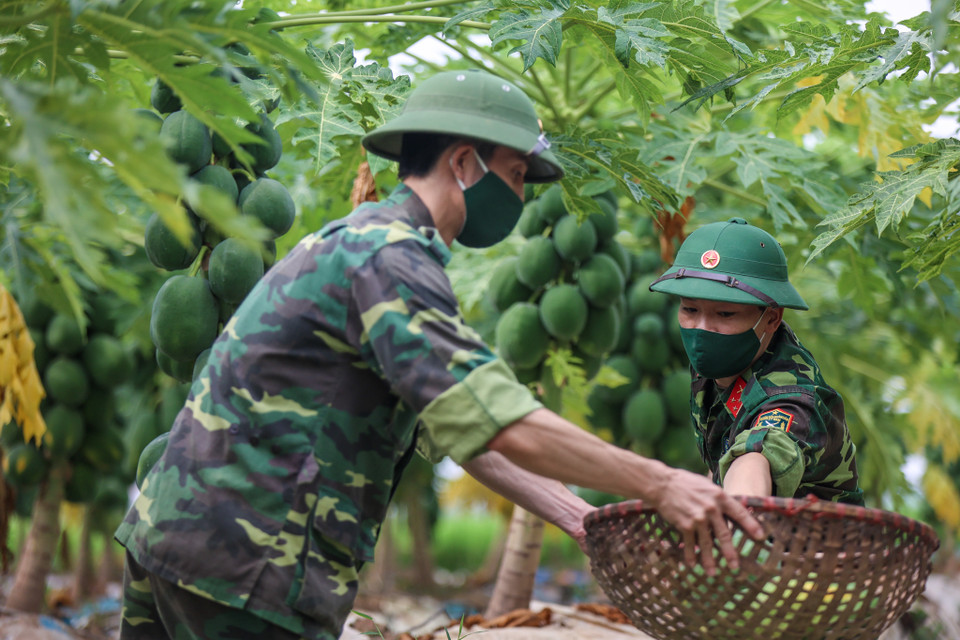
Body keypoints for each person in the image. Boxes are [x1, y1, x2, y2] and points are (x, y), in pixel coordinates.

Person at [115, 70, 764, 640]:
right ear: (462, 163)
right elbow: (503, 422)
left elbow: (462, 432)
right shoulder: (389, 258)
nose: (520, 197)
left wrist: (582, 518)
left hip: (178, 539)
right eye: (515, 175)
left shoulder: (361, 242)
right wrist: (662, 483)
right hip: (245, 562)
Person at [649, 217, 864, 505]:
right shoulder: (725, 365)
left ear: (772, 318)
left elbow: (757, 456)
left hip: (814, 534)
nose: (702, 328)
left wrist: (737, 506)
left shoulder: (790, 396)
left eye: (725, 314)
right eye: (689, 309)